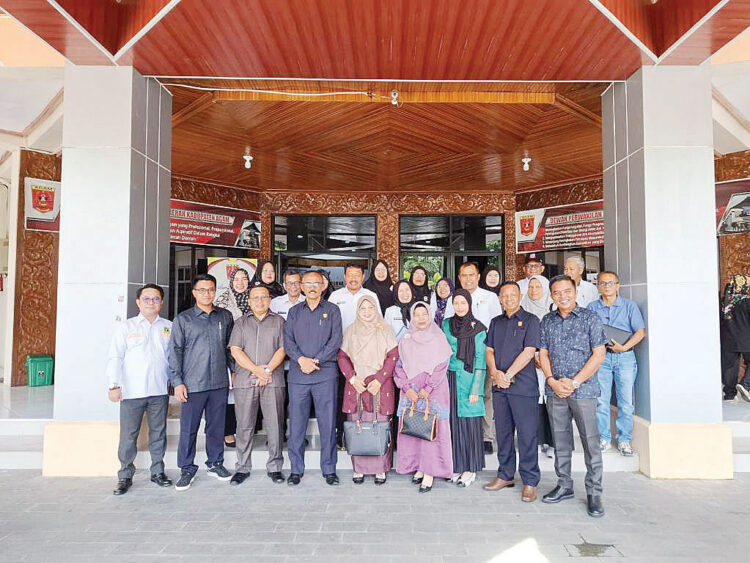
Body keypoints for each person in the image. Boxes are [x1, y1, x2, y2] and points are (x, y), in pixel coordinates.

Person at [539, 275, 607, 518]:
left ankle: (594, 492)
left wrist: (576, 381)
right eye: (556, 292)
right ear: (552, 295)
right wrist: (552, 381)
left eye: (567, 291)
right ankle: (564, 484)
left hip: (584, 391)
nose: (562, 296)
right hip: (555, 390)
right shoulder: (547, 321)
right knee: (560, 441)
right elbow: (543, 354)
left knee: (590, 441)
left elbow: (598, 354)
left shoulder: (590, 318)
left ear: (575, 291)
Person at [169, 274, 235, 491]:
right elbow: (175, 351)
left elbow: (229, 349)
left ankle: (215, 463)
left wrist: (233, 372)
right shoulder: (183, 319)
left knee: (216, 427)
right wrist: (177, 382)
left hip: (218, 382)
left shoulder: (224, 316)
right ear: (194, 292)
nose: (207, 294)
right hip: (192, 384)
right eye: (202, 290)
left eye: (211, 289)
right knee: (189, 428)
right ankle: (186, 468)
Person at [106, 284, 172, 495]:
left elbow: (172, 358)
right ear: (138, 302)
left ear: (161, 302)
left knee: (158, 433)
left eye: (155, 299)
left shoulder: (169, 327)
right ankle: (125, 475)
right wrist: (114, 385)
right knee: (128, 435)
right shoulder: (127, 327)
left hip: (159, 389)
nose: (151, 302)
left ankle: (158, 471)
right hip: (131, 391)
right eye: (147, 299)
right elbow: (115, 357)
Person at [284, 270, 343, 486]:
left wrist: (315, 361)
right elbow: (288, 341)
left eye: (315, 283)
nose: (311, 287)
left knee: (327, 424)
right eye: (307, 283)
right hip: (299, 376)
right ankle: (296, 469)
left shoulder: (332, 310)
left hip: (324, 375)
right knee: (297, 425)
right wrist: (301, 360)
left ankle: (329, 469)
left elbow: (335, 340)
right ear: (301, 287)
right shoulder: (293, 312)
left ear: (323, 286)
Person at [484, 282, 541, 502]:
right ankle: (505, 474)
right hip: (500, 387)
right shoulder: (495, 322)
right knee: (503, 434)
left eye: (512, 295)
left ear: (520, 296)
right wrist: (495, 373)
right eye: (504, 295)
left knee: (527, 436)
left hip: (523, 387)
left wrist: (507, 375)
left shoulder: (531, 320)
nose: (508, 298)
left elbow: (529, 352)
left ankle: (530, 481)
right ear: (499, 298)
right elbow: (489, 350)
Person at [228, 285, 287, 485]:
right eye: (255, 298)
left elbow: (282, 349)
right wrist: (256, 370)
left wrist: (267, 371)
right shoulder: (240, 323)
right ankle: (242, 467)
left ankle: (275, 467)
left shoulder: (279, 321)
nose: (260, 301)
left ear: (269, 299)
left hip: (273, 380)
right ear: (249, 300)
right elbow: (235, 350)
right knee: (244, 425)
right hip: (246, 381)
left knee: (275, 425)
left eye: (263, 297)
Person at [338, 295, 399, 484]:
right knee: (358, 425)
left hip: (379, 386)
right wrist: (352, 377)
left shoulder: (385, 330)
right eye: (362, 309)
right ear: (358, 311)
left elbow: (393, 356)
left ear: (376, 309)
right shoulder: (350, 331)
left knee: (379, 426)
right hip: (357, 385)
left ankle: (381, 468)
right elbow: (342, 357)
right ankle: (359, 468)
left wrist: (380, 379)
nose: (366, 312)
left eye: (370, 308)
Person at [394, 302, 453, 492]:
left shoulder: (439, 338)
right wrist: (407, 388)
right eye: (417, 314)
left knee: (432, 430)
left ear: (430, 316)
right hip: (411, 392)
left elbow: (442, 367)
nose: (420, 318)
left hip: (433, 392)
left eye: (424, 314)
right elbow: (399, 367)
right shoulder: (405, 339)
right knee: (414, 428)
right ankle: (418, 466)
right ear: (411, 317)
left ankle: (430, 471)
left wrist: (427, 389)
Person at [588, 271, 646, 456]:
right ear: (598, 286)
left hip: (625, 357)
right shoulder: (592, 307)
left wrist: (625, 346)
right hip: (602, 358)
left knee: (626, 402)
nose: (607, 287)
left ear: (618, 285)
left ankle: (624, 440)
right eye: (603, 284)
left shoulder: (629, 306)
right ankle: (604, 438)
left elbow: (640, 332)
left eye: (611, 283)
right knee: (601, 400)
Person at [441, 289, 487, 488]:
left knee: (469, 425)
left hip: (469, 380)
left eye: (463, 303)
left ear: (469, 304)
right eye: (456, 303)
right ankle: (456, 465)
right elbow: (441, 350)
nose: (460, 307)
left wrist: (476, 388)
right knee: (452, 424)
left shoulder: (479, 328)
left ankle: (470, 468)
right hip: (448, 379)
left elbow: (480, 360)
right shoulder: (446, 324)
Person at [457, 261, 503, 454]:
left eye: (471, 275)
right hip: (460, 356)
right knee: (463, 394)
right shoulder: (456, 298)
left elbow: (497, 326)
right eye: (464, 275)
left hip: (483, 354)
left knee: (484, 395)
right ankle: (464, 433)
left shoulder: (490, 297)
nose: (468, 279)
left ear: (478, 277)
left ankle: (486, 437)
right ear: (459, 278)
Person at [214, 267, 252, 449]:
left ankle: (246, 430)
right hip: (229, 356)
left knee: (248, 396)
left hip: (252, 356)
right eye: (236, 279)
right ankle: (228, 431)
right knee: (230, 396)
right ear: (230, 281)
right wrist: (232, 363)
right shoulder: (222, 302)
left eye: (244, 279)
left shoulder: (254, 300)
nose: (240, 282)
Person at [520, 275, 555, 458]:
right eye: (531, 287)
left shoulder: (553, 308)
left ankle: (550, 442)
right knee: (532, 403)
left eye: (538, 287)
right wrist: (532, 356)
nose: (534, 291)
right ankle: (534, 441)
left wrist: (543, 357)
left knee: (550, 402)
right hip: (527, 363)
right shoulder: (522, 308)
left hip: (549, 363)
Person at [721, 275, 750, 402]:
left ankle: (729, 394)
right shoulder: (747, 301)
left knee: (730, 366)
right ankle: (746, 384)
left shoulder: (724, 302)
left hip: (727, 338)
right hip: (745, 338)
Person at [329, 263, 381, 331]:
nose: (353, 279)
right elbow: (328, 321)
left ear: (363, 277)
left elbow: (379, 321)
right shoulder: (335, 296)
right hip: (341, 340)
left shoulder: (371, 295)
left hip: (365, 340)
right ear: (345, 277)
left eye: (357, 275)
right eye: (350, 275)